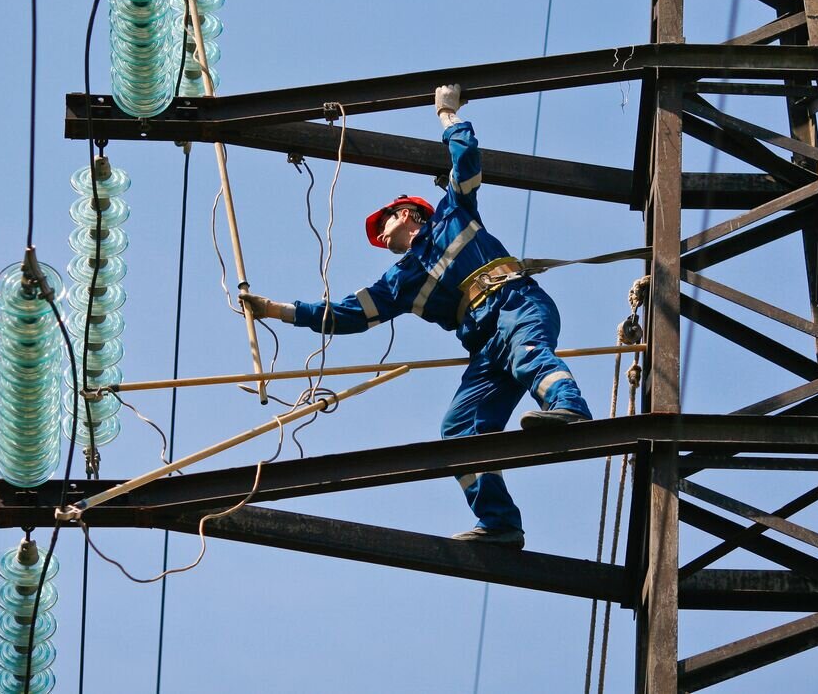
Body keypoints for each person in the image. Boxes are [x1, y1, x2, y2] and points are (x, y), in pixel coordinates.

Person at [243, 85, 592, 549]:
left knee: (528, 353)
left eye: (383, 223)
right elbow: (347, 315)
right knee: (458, 430)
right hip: (485, 345)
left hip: (515, 304)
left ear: (407, 213)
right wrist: (278, 311)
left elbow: (466, 159)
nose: (379, 234)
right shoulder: (401, 281)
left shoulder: (453, 215)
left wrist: (447, 114)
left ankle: (570, 408)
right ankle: (501, 523)